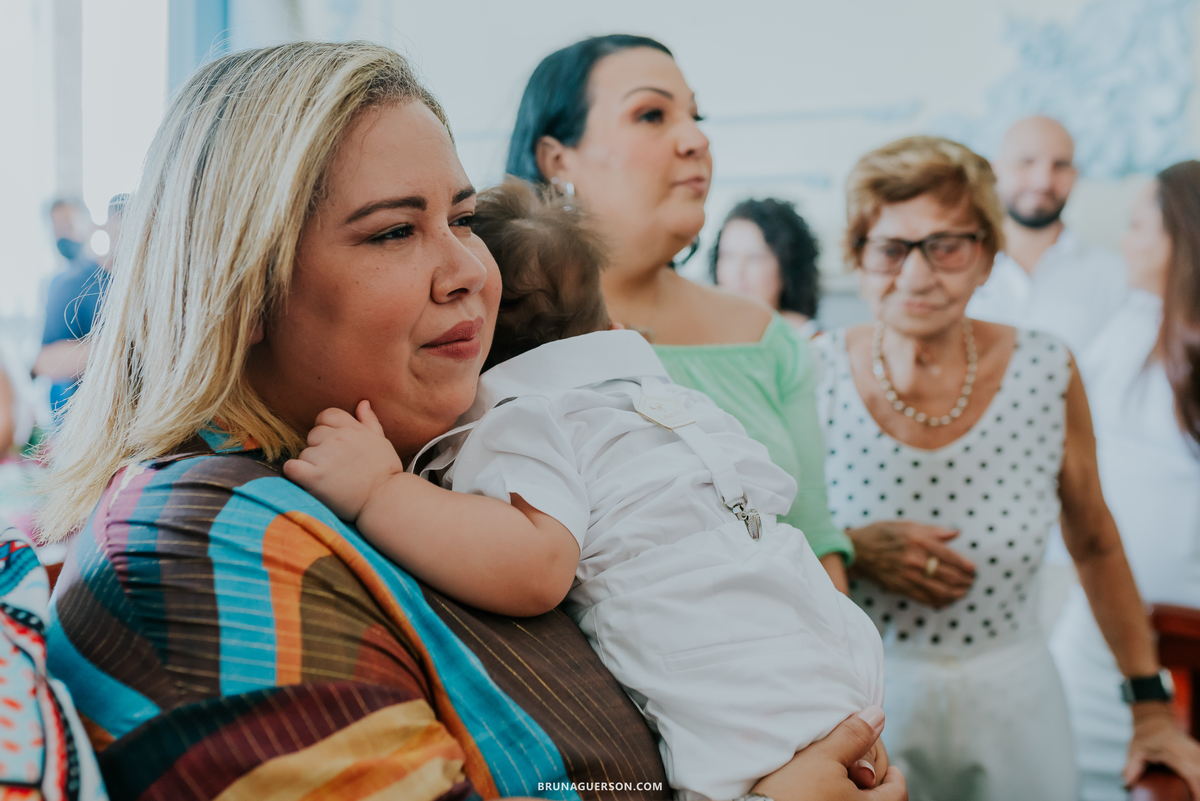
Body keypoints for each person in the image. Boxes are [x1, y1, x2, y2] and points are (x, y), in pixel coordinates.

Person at [39, 41, 906, 801]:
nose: (468, 272)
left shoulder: (440, 479)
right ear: (242, 286)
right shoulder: (196, 546)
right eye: (391, 233)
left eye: (461, 219)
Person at [284, 180, 893, 800]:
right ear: (610, 325)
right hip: (832, 655)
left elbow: (538, 563)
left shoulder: (525, 419)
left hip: (728, 688)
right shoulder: (667, 400)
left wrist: (381, 490)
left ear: (476, 349)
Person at [814, 135, 1200, 800]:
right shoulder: (810, 369)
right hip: (863, 709)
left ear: (988, 255)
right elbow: (761, 539)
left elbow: (1096, 541)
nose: (916, 275)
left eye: (947, 245)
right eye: (890, 248)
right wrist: (850, 547)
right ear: (857, 255)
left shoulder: (1046, 367)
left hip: (1017, 701)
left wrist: (1150, 706)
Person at [505, 35, 853, 592]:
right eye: (651, 115)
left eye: (696, 115)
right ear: (557, 159)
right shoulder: (497, 334)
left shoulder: (765, 338)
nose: (696, 138)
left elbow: (814, 542)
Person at [1050, 161, 1200, 801]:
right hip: (1109, 623)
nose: (1125, 241)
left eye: (1139, 225)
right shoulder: (1129, 325)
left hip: (1181, 639)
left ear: (1182, 239)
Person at [966, 116, 1127, 356]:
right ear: (995, 169)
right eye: (1026, 162)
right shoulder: (955, 264)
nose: (1043, 181)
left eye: (1060, 165)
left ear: (1075, 174)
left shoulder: (1116, 276)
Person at [34, 194, 127, 418]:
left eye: (67, 224)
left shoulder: (152, 284)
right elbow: (45, 362)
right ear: (106, 226)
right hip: (88, 419)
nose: (62, 233)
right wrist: (125, 348)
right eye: (56, 226)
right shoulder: (70, 284)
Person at [711, 198, 822, 339]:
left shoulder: (810, 339)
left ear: (786, 267)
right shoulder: (702, 335)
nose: (738, 271)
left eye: (754, 258)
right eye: (727, 256)